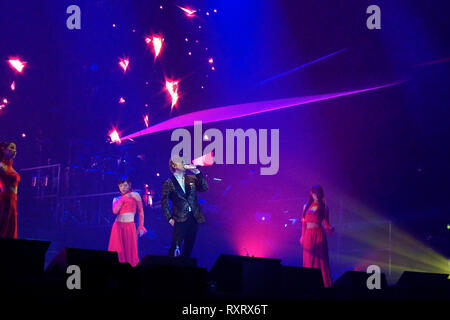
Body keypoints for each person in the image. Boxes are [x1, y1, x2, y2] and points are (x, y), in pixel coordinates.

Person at [161, 155, 208, 258]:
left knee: (188, 247)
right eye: (181, 161)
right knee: (175, 247)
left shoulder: (191, 179)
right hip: (179, 218)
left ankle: (185, 267)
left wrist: (197, 172)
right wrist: (169, 218)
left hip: (194, 217)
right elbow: (164, 203)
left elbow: (204, 188)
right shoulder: (168, 183)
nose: (184, 163)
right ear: (174, 165)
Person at [300, 185, 334, 288]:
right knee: (308, 259)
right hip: (308, 235)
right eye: (315, 193)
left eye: (318, 193)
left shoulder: (324, 207)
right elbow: (304, 223)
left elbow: (327, 223)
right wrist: (302, 235)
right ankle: (308, 284)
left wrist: (330, 228)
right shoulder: (306, 206)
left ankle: (322, 285)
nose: (317, 195)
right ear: (311, 193)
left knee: (320, 261)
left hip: (318, 234)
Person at [108, 178, 146, 266]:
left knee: (130, 250)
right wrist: (123, 199)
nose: (123, 188)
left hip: (130, 226)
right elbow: (115, 211)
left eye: (125, 185)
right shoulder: (116, 199)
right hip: (118, 227)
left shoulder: (135, 195)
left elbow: (141, 211)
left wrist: (141, 225)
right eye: (121, 186)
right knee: (118, 252)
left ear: (129, 185)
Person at [0, 142, 20, 238]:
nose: (14, 150)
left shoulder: (11, 167)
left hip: (13, 200)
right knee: (4, 227)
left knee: (11, 228)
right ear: (3, 149)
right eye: (11, 148)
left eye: (15, 148)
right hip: (6, 200)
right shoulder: (1, 166)